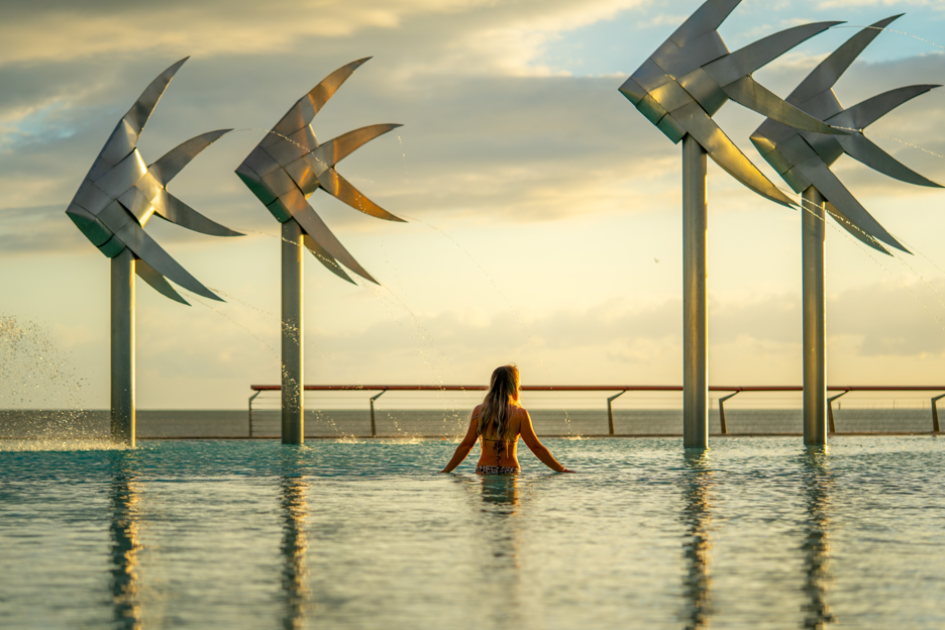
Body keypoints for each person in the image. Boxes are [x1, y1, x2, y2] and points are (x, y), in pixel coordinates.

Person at [441, 365, 574, 474]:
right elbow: (536, 448)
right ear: (514, 386)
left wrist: (446, 470)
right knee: (511, 507)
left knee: (488, 507)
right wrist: (561, 469)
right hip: (510, 470)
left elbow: (466, 446)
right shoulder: (521, 415)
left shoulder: (479, 412)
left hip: (485, 469)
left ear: (493, 384)